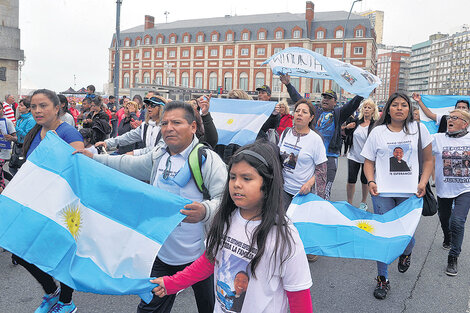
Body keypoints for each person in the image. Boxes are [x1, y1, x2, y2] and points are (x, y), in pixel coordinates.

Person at [76, 101, 227, 313]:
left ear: (193, 127)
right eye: (165, 123)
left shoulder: (206, 159)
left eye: (176, 122)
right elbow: (128, 165)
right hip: (162, 254)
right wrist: (95, 159)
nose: (169, 128)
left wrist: (205, 211)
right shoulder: (160, 154)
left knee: (210, 308)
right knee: (149, 309)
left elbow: (225, 199)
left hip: (200, 256)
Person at [150, 141, 313, 313]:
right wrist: (171, 283)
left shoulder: (284, 236)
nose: (236, 184)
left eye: (247, 178)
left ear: (267, 183)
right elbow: (209, 261)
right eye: (233, 177)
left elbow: (299, 298)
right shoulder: (226, 218)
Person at [12, 89, 84, 313]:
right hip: (34, 203)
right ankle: (50, 292)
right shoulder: (35, 132)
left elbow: (79, 167)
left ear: (57, 108)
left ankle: (66, 302)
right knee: (18, 250)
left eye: (43, 106)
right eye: (33, 106)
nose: (37, 111)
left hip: (62, 205)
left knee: (62, 254)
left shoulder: (68, 133)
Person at [361, 92, 433, 300]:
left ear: (409, 109)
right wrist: (371, 181)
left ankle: (407, 251)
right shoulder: (378, 132)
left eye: (404, 105)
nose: (399, 108)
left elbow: (428, 160)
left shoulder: (419, 130)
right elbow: (368, 161)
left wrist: (423, 182)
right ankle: (382, 279)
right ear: (388, 109)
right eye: (395, 105)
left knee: (406, 237)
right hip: (382, 191)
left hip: (411, 193)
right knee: (383, 236)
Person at [281, 73, 363, 200]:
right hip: (311, 158)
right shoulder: (315, 111)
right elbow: (299, 100)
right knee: (306, 189)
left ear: (335, 102)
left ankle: (320, 213)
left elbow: (353, 103)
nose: (325, 99)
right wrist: (288, 84)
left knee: (324, 192)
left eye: (329, 98)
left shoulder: (338, 113)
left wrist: (363, 90)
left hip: (329, 157)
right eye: (324, 97)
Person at [432, 109, 470, 276]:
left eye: (455, 118)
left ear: (465, 123)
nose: (450, 120)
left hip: (465, 189)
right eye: (449, 117)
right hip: (444, 188)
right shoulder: (438, 139)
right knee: (444, 217)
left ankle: (453, 257)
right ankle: (447, 237)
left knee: (457, 221)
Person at [96, 96, 166, 155]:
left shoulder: (166, 127)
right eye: (148, 105)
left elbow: (158, 149)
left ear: (161, 108)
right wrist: (107, 142)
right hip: (146, 162)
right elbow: (128, 137)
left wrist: (134, 153)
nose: (149, 107)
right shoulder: (145, 125)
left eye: (153, 105)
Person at [346, 99, 379, 210]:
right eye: (365, 107)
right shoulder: (357, 121)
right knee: (351, 180)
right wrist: (347, 128)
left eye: (369, 107)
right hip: (353, 155)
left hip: (367, 158)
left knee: (365, 181)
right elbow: (347, 134)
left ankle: (363, 202)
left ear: (373, 110)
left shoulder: (375, 125)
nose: (366, 109)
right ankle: (349, 202)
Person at [8, 97, 36, 175]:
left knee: (22, 169)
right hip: (17, 146)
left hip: (24, 147)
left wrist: (16, 128)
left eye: (21, 105)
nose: (19, 107)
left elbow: (27, 136)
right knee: (12, 167)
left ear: (29, 108)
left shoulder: (31, 119)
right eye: (19, 105)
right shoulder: (20, 118)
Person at [0, 102, 17, 193]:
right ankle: (13, 184)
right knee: (1, 172)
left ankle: (5, 188)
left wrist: (11, 138)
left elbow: (15, 138)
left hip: (4, 152)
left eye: (0, 108)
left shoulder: (7, 122)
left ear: (3, 110)